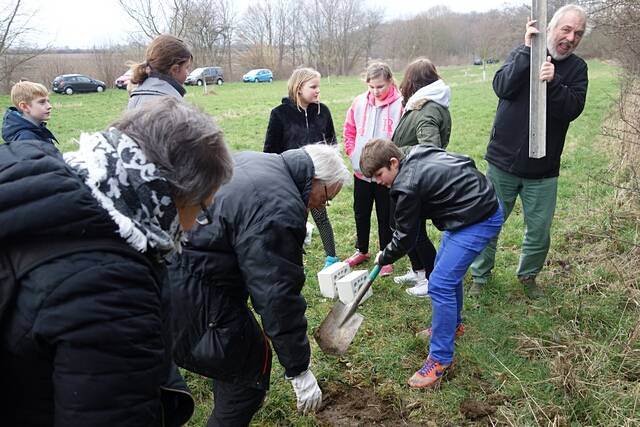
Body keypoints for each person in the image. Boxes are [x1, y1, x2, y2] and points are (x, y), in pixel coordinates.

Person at [0, 98, 234, 426]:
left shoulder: (28, 168)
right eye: (202, 209)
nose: (195, 225)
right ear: (170, 195)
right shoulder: (113, 291)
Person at [169, 143, 351, 426]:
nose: (322, 205)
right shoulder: (276, 207)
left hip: (171, 267)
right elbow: (277, 297)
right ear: (314, 180)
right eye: (326, 197)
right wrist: (298, 369)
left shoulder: (264, 162)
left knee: (231, 359)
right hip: (192, 292)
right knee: (246, 379)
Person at [360, 138, 503, 389]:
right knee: (443, 272)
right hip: (464, 211)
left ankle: (440, 359)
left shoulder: (407, 185)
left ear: (394, 162)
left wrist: (385, 256)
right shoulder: (414, 153)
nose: (378, 182)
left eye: (380, 174)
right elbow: (465, 161)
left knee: (439, 283)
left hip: (479, 216)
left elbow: (405, 237)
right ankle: (453, 326)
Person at [469, 4, 588, 299]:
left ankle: (528, 278)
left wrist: (554, 82)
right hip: (503, 162)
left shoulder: (577, 69)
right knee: (488, 222)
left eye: (578, 33)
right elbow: (502, 86)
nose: (571, 37)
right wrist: (526, 53)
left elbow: (572, 109)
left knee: (538, 231)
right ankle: (480, 278)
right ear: (550, 28)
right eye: (566, 29)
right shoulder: (521, 52)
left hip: (543, 170)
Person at [264, 67, 340, 269]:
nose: (318, 91)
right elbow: (270, 151)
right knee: (293, 221)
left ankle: (332, 258)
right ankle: (291, 261)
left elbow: (332, 143)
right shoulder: (279, 114)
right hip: (290, 178)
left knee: (321, 217)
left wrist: (330, 178)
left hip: (317, 178)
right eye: (313, 86)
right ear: (299, 88)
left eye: (319, 87)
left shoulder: (323, 111)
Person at [391, 58, 452, 297]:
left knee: (415, 231)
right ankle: (417, 271)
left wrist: (394, 154)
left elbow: (430, 150)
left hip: (415, 178)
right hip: (407, 174)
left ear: (413, 82)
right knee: (404, 226)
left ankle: (430, 277)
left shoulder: (428, 109)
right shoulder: (423, 104)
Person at [343, 62, 403, 277]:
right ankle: (362, 249)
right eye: (372, 87)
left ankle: (385, 254)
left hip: (385, 173)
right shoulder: (359, 102)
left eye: (380, 86)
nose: (376, 91)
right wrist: (352, 153)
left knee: (386, 214)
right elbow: (349, 130)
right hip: (361, 171)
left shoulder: (400, 104)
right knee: (361, 211)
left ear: (389, 82)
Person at [128, 34, 192, 109]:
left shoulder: (135, 97)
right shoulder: (174, 107)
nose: (188, 73)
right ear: (175, 69)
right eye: (186, 68)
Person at [2, 81, 58, 145]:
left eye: (48, 101)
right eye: (42, 102)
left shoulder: (36, 130)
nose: (49, 106)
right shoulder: (26, 140)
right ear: (24, 107)